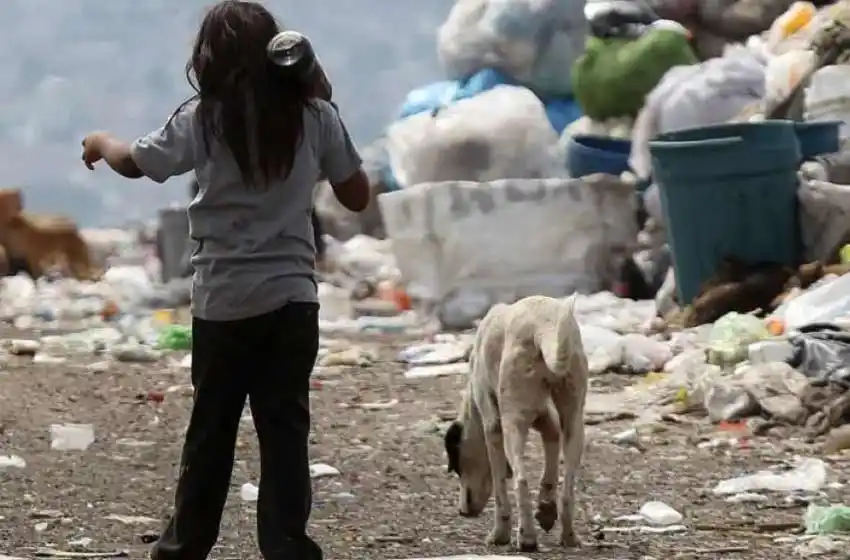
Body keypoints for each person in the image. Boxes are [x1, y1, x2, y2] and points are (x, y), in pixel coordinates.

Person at [80, 2, 370, 559]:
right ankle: (287, 546)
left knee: (211, 433)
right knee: (284, 433)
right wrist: (324, 96)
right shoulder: (313, 116)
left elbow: (138, 162)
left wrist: (99, 140)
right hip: (292, 303)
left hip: (223, 304)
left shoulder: (203, 118)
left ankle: (184, 547)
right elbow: (356, 196)